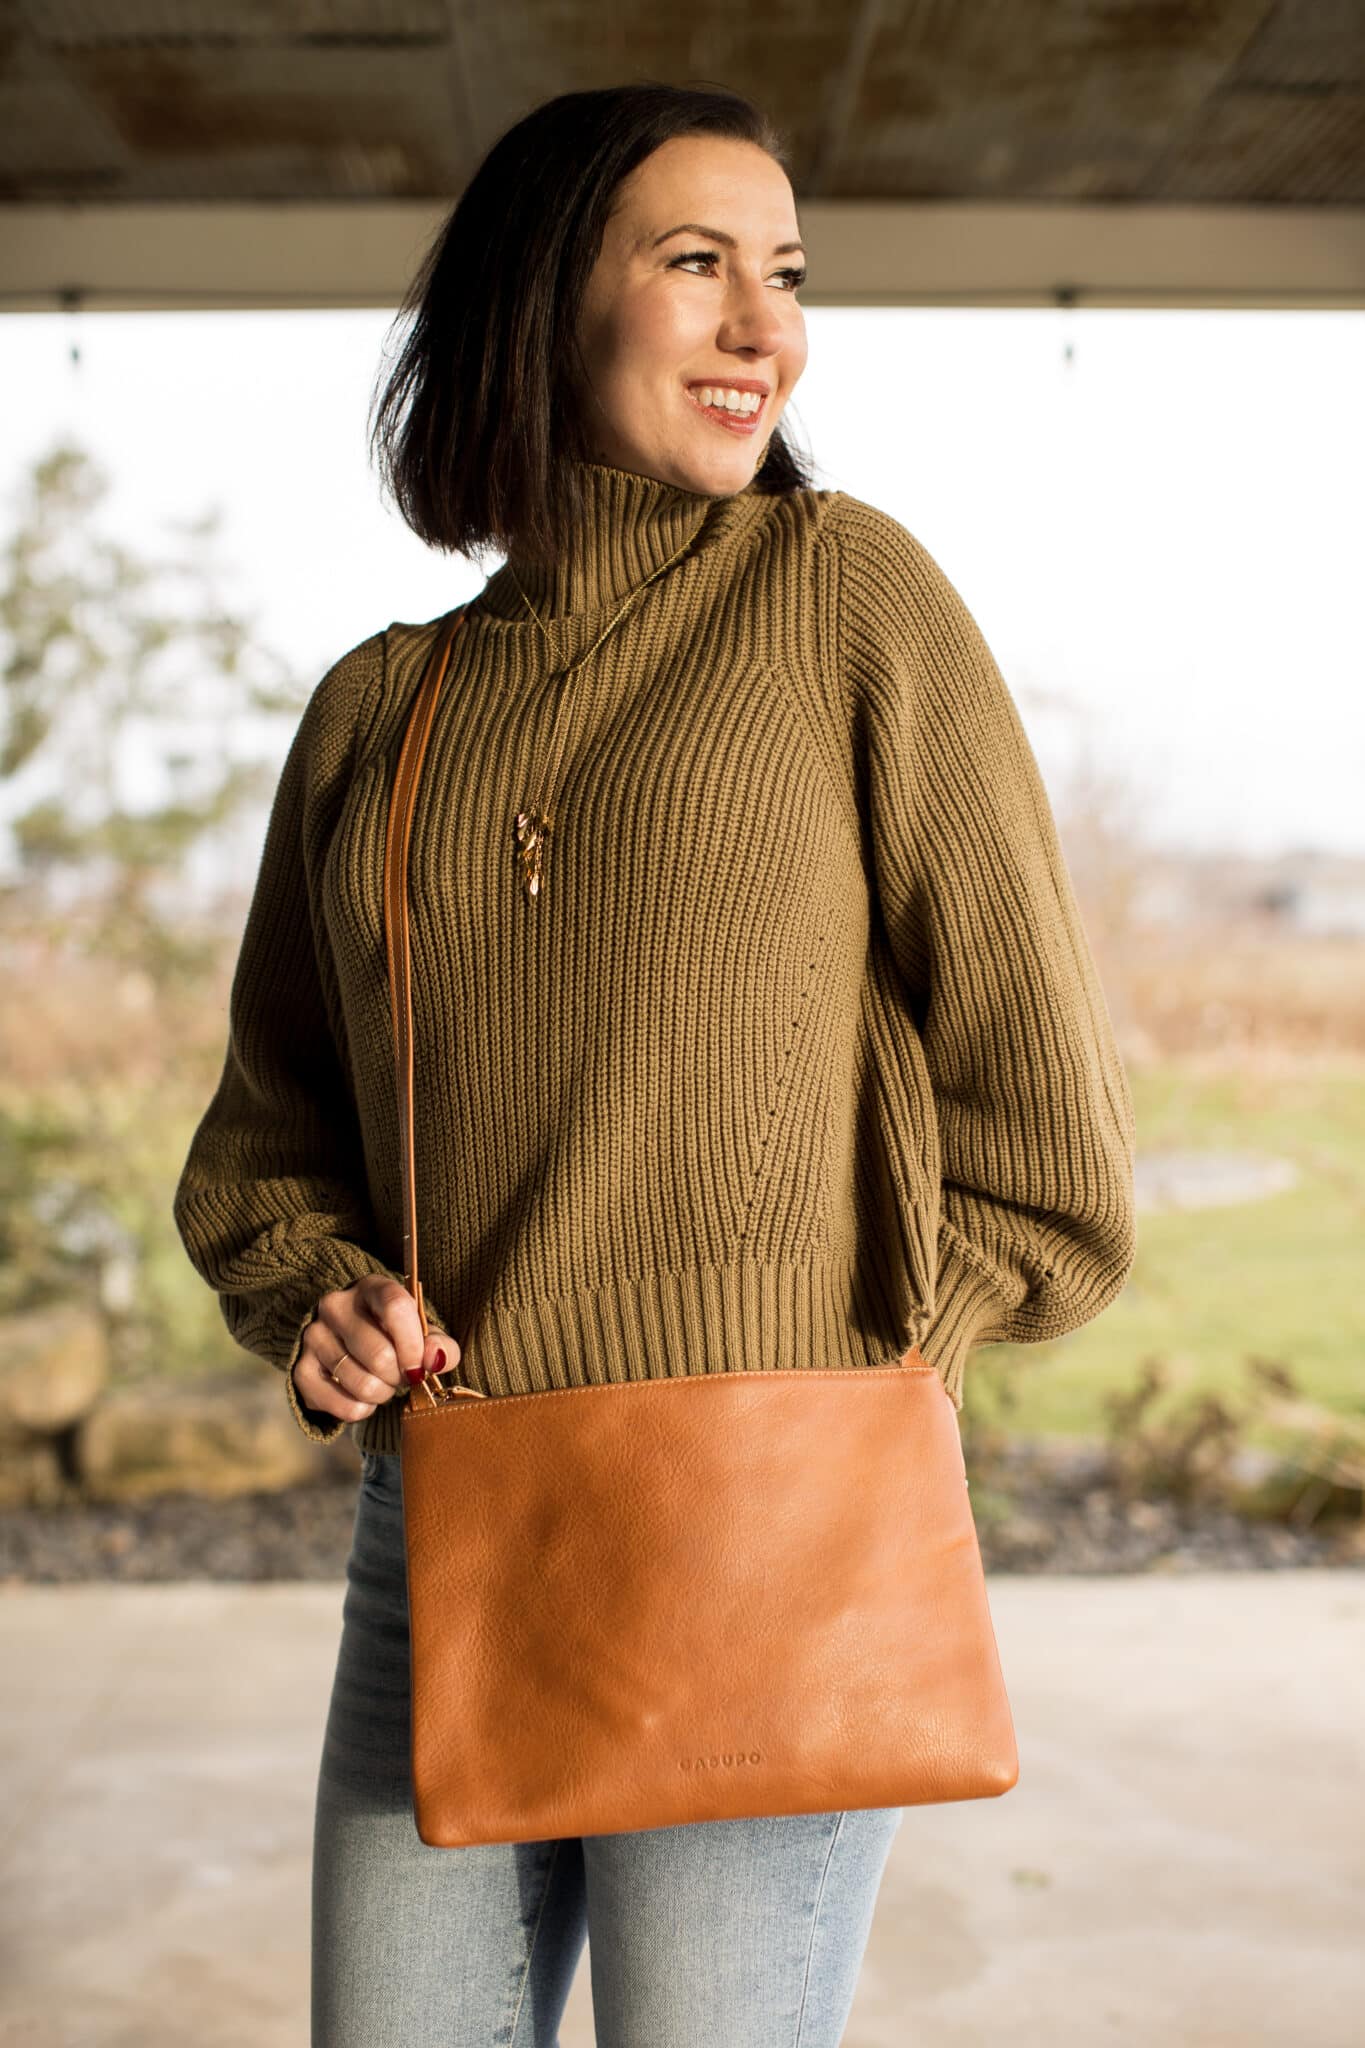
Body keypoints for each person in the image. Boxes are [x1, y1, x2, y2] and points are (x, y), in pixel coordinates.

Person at [173, 80, 1137, 2048]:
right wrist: (322, 1300)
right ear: (543, 302)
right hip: (446, 1524)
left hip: (773, 1517)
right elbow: (272, 1138)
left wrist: (877, 1381)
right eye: (692, 262)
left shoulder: (841, 595)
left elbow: (1042, 1137)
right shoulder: (382, 708)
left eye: (781, 275)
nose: (758, 325)